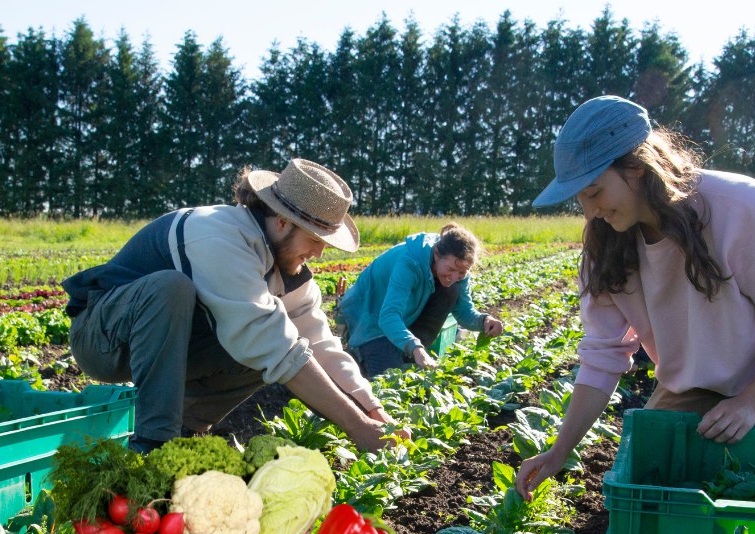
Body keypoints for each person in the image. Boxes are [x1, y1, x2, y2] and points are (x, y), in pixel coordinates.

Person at [514, 95, 755, 500]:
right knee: (652, 488)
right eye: (579, 198)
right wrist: (559, 450)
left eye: (594, 192)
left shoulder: (739, 209)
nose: (589, 212)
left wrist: (750, 403)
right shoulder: (605, 246)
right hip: (698, 378)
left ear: (637, 167)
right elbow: (603, 354)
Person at [62, 159, 407, 454]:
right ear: (282, 222)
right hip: (103, 338)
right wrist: (357, 429)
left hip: (167, 346)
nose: (318, 253)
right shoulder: (217, 235)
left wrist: (371, 409)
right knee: (175, 291)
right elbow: (271, 341)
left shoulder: (290, 269)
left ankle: (186, 431)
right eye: (315, 240)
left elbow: (319, 342)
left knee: (277, 343)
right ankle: (153, 448)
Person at [337, 223, 504, 378]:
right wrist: (416, 348)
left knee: (451, 289)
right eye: (451, 269)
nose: (455, 277)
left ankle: (408, 351)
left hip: (401, 313)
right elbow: (388, 316)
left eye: (462, 273)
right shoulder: (409, 262)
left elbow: (464, 312)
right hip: (369, 317)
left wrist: (485, 321)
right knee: (389, 380)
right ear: (437, 254)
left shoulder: (458, 269)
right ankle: (359, 349)